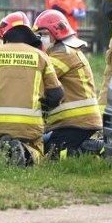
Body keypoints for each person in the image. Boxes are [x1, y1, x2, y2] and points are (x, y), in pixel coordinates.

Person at [0, 11, 63, 166]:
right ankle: (26, 152)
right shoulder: (41, 57)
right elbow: (56, 95)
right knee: (36, 149)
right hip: (28, 125)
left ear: (6, 36)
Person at [32, 9, 104, 159]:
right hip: (72, 122)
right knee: (43, 147)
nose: (40, 39)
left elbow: (37, 78)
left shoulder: (63, 53)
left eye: (43, 34)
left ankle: (98, 148)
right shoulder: (61, 51)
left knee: (54, 156)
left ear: (55, 32)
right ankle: (85, 146)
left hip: (77, 122)